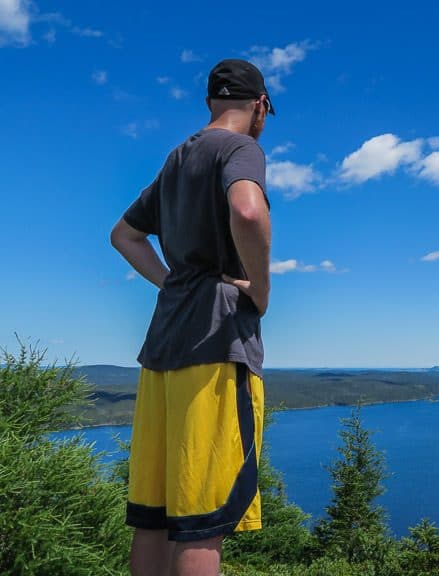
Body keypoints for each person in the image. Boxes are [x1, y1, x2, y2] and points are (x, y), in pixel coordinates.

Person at [110, 58, 275, 576]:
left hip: (162, 349)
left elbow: (124, 235)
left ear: (209, 102)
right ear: (260, 106)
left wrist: (171, 282)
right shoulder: (241, 147)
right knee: (202, 520)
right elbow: (247, 211)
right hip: (215, 343)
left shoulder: (177, 158)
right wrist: (261, 289)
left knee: (155, 516)